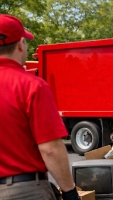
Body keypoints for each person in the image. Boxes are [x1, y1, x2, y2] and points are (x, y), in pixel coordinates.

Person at [0, 14, 79, 200]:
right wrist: (69, 192)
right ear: (21, 44)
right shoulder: (32, 86)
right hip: (23, 191)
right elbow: (50, 149)